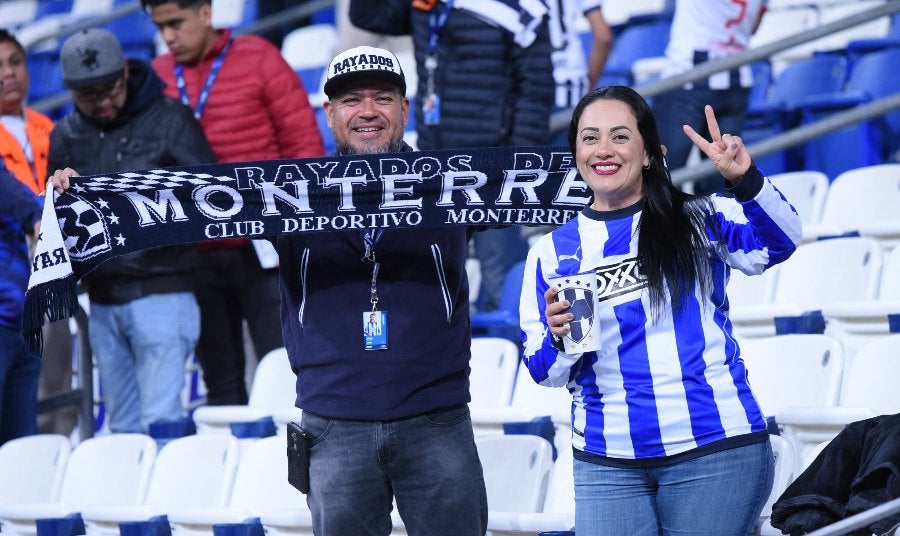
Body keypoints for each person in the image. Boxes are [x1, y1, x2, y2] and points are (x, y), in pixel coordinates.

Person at [519, 85, 802, 535]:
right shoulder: (552, 252)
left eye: (620, 136)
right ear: (575, 154)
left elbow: (780, 242)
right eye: (590, 138)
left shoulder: (698, 218)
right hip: (606, 461)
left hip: (714, 449)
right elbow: (544, 370)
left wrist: (745, 181)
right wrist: (558, 339)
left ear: (649, 152)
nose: (604, 149)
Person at [276, 45, 487, 535]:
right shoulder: (286, 195)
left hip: (437, 419)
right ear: (329, 113)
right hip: (332, 424)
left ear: (404, 109)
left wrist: (636, 169)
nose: (368, 112)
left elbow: (557, 188)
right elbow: (174, 202)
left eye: (383, 98)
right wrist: (85, 194)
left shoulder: (451, 186)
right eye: (351, 100)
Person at [142, 0, 325, 406]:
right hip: (195, 253)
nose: (168, 37)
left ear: (206, 13)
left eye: (176, 23)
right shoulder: (155, 77)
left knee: (285, 371)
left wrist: (294, 234)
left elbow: (305, 152)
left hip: (264, 248)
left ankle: (292, 468)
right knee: (221, 386)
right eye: (160, 27)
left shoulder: (260, 59)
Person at [48, 28, 216, 433]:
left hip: (164, 290)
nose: (103, 102)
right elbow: (57, 219)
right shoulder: (64, 134)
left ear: (126, 71)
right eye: (89, 95)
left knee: (162, 424)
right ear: (70, 90)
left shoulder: (171, 117)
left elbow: (210, 197)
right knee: (122, 430)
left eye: (110, 88)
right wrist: (58, 191)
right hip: (103, 299)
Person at [349, 0, 555, 313]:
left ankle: (520, 355)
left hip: (492, 169)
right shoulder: (427, 4)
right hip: (435, 165)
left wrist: (517, 165)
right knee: (440, 281)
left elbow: (536, 91)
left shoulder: (520, 7)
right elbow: (367, 13)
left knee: (500, 281)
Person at [0, 28, 76, 438]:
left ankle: (55, 453)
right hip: (13, 266)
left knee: (57, 370)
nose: (7, 74)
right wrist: (33, 217)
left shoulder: (49, 127)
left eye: (14, 62)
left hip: (52, 258)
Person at [652, 0, 767, 194]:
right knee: (723, 179)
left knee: (660, 173)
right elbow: (754, 24)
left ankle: (661, 224)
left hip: (689, 75)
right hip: (735, 75)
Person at [0, 157, 41, 445]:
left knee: (22, 447)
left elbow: (11, 189)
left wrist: (38, 216)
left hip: (19, 318)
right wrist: (35, 216)